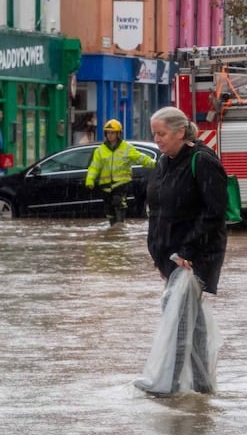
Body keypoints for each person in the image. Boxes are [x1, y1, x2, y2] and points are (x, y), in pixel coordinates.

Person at [138, 106, 229, 395]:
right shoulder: (165, 161)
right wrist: (157, 253)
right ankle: (202, 384)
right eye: (154, 134)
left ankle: (170, 383)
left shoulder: (202, 161)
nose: (157, 140)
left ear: (180, 132)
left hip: (195, 254)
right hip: (171, 255)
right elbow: (158, 210)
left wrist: (188, 249)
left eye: (162, 133)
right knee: (191, 318)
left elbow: (215, 212)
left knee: (178, 315)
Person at [85, 119, 156, 225]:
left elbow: (140, 158)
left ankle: (120, 225)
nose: (110, 135)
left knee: (118, 202)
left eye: (112, 133)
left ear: (118, 134)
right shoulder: (100, 150)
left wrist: (155, 164)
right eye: (108, 133)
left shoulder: (127, 148)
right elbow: (94, 167)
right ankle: (113, 227)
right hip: (105, 185)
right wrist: (90, 180)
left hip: (121, 183)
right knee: (109, 208)